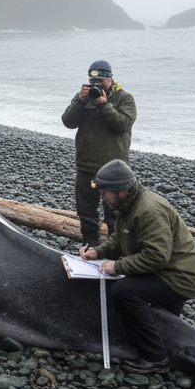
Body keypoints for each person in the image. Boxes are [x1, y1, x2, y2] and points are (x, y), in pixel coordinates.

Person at [79, 159, 195, 372]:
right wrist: (97, 252)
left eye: (104, 192)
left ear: (122, 190)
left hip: (180, 277)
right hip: (167, 270)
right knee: (161, 316)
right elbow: (120, 238)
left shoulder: (148, 210)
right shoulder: (128, 205)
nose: (101, 197)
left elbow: (156, 256)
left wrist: (117, 267)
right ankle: (164, 340)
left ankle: (155, 358)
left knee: (124, 290)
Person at [61, 58, 137, 247]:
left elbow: (123, 124)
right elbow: (68, 122)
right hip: (86, 166)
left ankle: (116, 250)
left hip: (113, 170)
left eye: (100, 81)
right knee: (86, 212)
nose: (96, 84)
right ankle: (90, 246)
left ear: (110, 79)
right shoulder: (83, 97)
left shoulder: (124, 98)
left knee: (115, 215)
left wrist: (103, 104)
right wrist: (80, 101)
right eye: (93, 81)